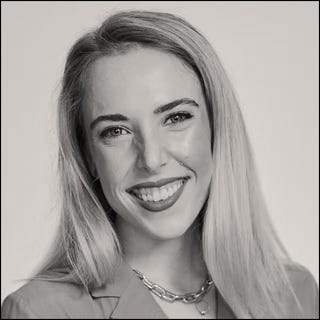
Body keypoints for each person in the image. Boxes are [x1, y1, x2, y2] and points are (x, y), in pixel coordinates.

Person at [1, 10, 318, 319]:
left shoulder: (293, 294)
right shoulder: (41, 312)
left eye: (176, 118)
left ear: (217, 128)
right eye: (116, 131)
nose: (151, 160)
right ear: (87, 157)